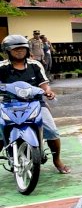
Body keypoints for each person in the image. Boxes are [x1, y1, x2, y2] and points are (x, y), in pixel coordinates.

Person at [0, 35, 71, 174]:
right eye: (15, 49)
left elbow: (44, 85)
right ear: (7, 51)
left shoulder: (35, 65)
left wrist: (48, 92)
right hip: (8, 104)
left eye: (22, 48)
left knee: (52, 131)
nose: (19, 51)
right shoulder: (2, 67)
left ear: (27, 50)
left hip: (35, 103)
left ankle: (57, 160)